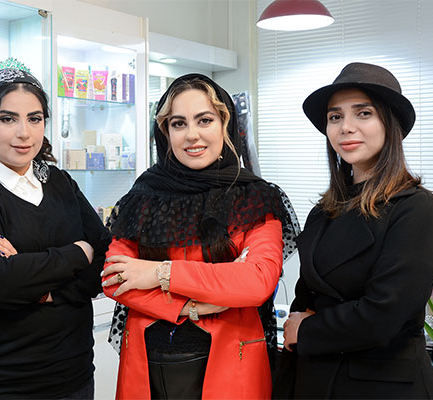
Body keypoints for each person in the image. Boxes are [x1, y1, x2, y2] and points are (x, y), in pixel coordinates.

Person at [100, 73, 300, 399]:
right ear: (165, 132)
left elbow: (257, 281)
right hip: (149, 366)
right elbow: (114, 277)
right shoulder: (142, 196)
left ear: (224, 124)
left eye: (204, 120)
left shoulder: (255, 197)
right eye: (178, 123)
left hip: (233, 366)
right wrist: (194, 306)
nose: (192, 135)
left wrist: (158, 273)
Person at [275, 62, 433, 399]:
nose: (346, 127)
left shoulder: (418, 209)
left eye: (363, 113)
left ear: (390, 123)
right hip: (314, 379)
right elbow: (305, 297)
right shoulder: (323, 211)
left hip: (384, 387)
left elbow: (383, 315)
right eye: (335, 117)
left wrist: (307, 329)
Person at [0, 68, 111, 399]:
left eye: (34, 118)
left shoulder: (60, 183)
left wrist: (40, 285)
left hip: (71, 373)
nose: (24, 133)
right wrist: (78, 253)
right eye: (7, 119)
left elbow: (105, 262)